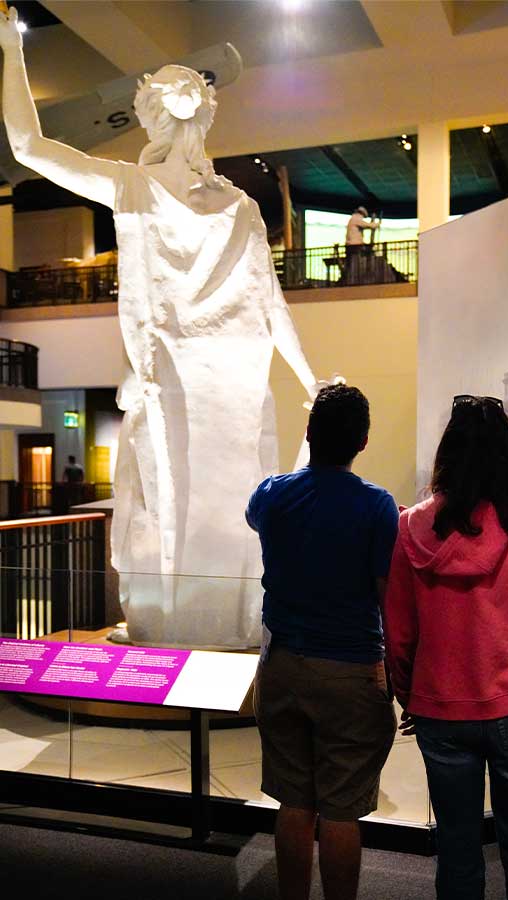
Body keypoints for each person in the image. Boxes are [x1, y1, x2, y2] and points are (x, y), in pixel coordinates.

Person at [0, 7, 321, 649]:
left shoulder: (237, 206)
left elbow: (267, 300)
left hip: (228, 381)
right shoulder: (133, 188)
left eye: (185, 90)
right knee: (165, 502)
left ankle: (225, 624)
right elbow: (28, 147)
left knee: (227, 511)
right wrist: (13, 53)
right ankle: (173, 624)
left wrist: (309, 379)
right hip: (172, 378)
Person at [384, 394, 508, 900]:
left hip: (439, 710)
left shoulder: (410, 528)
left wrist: (412, 696)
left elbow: (399, 633)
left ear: (447, 451)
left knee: (456, 848)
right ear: (507, 453)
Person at [246, 384, 399, 900]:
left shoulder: (271, 494)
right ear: (363, 441)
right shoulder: (379, 507)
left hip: (284, 663)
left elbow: (255, 518)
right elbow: (386, 597)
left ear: (309, 433)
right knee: (340, 809)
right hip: (352, 669)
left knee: (294, 801)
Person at [344, 206, 380, 285]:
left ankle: (352, 277)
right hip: (354, 245)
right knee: (355, 262)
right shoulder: (356, 219)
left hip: (351, 245)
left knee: (351, 263)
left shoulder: (352, 219)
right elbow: (368, 226)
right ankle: (355, 278)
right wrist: (376, 224)